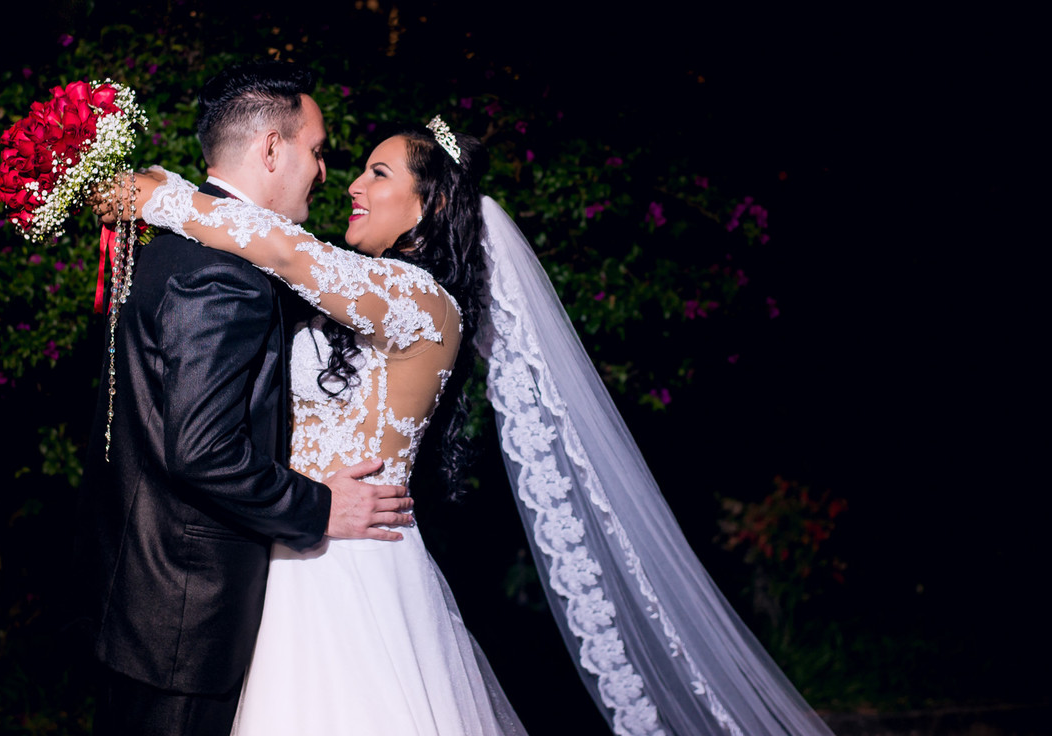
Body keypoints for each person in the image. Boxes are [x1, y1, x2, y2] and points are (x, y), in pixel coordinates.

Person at [117, 114, 836, 736]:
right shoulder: (346, 300)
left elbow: (281, 249)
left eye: (377, 173)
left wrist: (165, 195)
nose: (353, 187)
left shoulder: (422, 302)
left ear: (428, 208)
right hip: (292, 549)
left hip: (354, 567)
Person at [75, 63, 415, 736]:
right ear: (270, 149)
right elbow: (201, 451)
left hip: (145, 601)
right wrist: (321, 506)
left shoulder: (174, 248)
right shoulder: (223, 276)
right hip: (184, 626)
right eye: (317, 151)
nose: (325, 173)